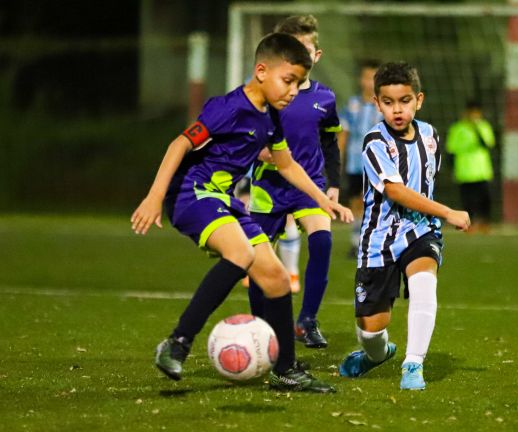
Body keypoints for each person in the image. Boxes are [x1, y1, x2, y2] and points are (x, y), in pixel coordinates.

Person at [130, 32, 352, 393]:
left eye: (298, 82)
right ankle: (177, 343)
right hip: (193, 193)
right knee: (241, 253)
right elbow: (180, 143)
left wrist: (323, 199)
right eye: (288, 80)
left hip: (226, 200)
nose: (294, 90)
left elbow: (287, 165)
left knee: (277, 279)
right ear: (261, 70)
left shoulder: (272, 118)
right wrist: (154, 196)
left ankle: (285, 370)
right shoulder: (229, 107)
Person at [337, 62, 470, 390]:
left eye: (405, 101)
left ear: (419, 100)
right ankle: (376, 355)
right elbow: (395, 190)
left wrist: (435, 218)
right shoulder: (373, 142)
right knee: (371, 329)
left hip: (421, 230)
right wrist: (448, 212)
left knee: (425, 283)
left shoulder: (431, 136)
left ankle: (413, 365)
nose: (397, 109)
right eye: (389, 102)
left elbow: (426, 181)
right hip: (378, 238)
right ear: (376, 103)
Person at [247, 15, 342, 349]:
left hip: (310, 185)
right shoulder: (265, 93)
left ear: (317, 55)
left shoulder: (325, 98)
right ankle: (261, 328)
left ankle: (307, 321)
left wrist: (334, 183)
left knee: (322, 242)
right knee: (258, 259)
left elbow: (330, 141)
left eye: (306, 48)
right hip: (269, 187)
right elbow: (242, 134)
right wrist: (258, 153)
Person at [338, 59, 382, 257]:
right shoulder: (353, 104)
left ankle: (374, 241)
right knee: (357, 201)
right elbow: (343, 134)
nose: (369, 82)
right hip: (356, 163)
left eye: (374, 78)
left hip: (380, 164)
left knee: (376, 202)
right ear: (361, 80)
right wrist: (339, 159)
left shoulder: (385, 106)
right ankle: (357, 242)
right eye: (367, 77)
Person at [446, 100, 496, 233]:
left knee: (485, 199)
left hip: (482, 171)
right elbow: (451, 151)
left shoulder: (484, 127)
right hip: (464, 171)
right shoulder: (457, 128)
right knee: (468, 201)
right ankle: (470, 224)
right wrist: (451, 169)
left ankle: (485, 222)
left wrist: (475, 128)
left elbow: (487, 144)